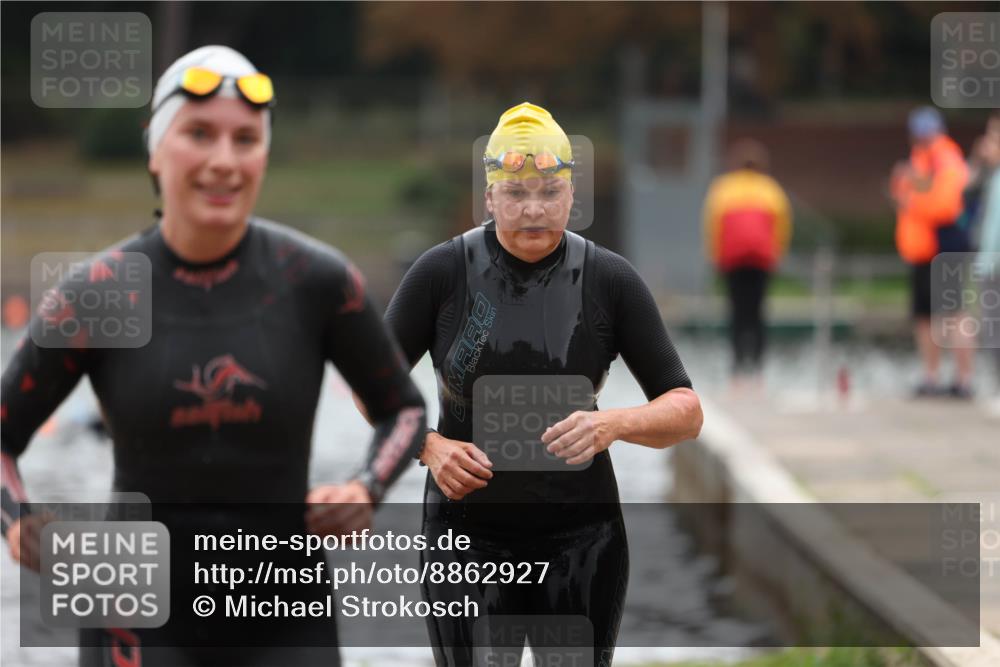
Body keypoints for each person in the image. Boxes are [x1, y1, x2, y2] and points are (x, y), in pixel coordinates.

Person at [1, 46, 426, 666]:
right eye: (199, 134)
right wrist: (18, 519)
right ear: (155, 147)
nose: (223, 161)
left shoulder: (313, 281)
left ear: (264, 154)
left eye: (245, 139)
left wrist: (367, 487)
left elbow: (406, 410)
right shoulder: (99, 294)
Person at [382, 102, 703, 667]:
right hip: (465, 536)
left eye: (550, 192)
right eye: (516, 192)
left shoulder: (610, 280)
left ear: (573, 196)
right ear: (489, 196)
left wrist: (613, 423)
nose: (533, 209)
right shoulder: (440, 273)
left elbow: (686, 409)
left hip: (582, 537)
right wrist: (429, 448)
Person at [890, 106, 974, 398]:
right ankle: (931, 376)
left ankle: (964, 379)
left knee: (953, 313)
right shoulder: (921, 160)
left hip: (943, 247)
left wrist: (912, 198)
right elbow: (903, 193)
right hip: (921, 251)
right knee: (924, 315)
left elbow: (944, 206)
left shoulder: (946, 159)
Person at [702, 139, 792, 382]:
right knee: (758, 310)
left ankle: (737, 366)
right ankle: (759, 366)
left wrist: (715, 254)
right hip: (761, 259)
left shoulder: (723, 188)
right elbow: (782, 225)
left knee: (736, 311)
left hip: (732, 259)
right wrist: (777, 253)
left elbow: (713, 224)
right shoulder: (771, 189)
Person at [971, 112, 1000, 413]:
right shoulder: (992, 176)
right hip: (990, 262)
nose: (987, 143)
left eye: (993, 136)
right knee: (991, 327)